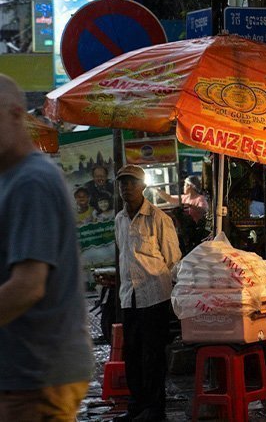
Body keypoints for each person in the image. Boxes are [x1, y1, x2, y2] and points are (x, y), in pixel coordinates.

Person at [0, 74, 94, 421]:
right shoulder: (10, 179)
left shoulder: (32, 180)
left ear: (14, 116)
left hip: (37, 375)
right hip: (22, 372)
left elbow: (27, 286)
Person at [114, 164, 181, 422]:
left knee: (153, 355)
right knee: (131, 355)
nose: (126, 187)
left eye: (131, 183)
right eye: (122, 183)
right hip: (129, 297)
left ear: (143, 186)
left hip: (155, 297)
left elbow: (174, 261)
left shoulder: (158, 219)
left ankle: (155, 409)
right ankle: (137, 407)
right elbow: (123, 257)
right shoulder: (119, 220)